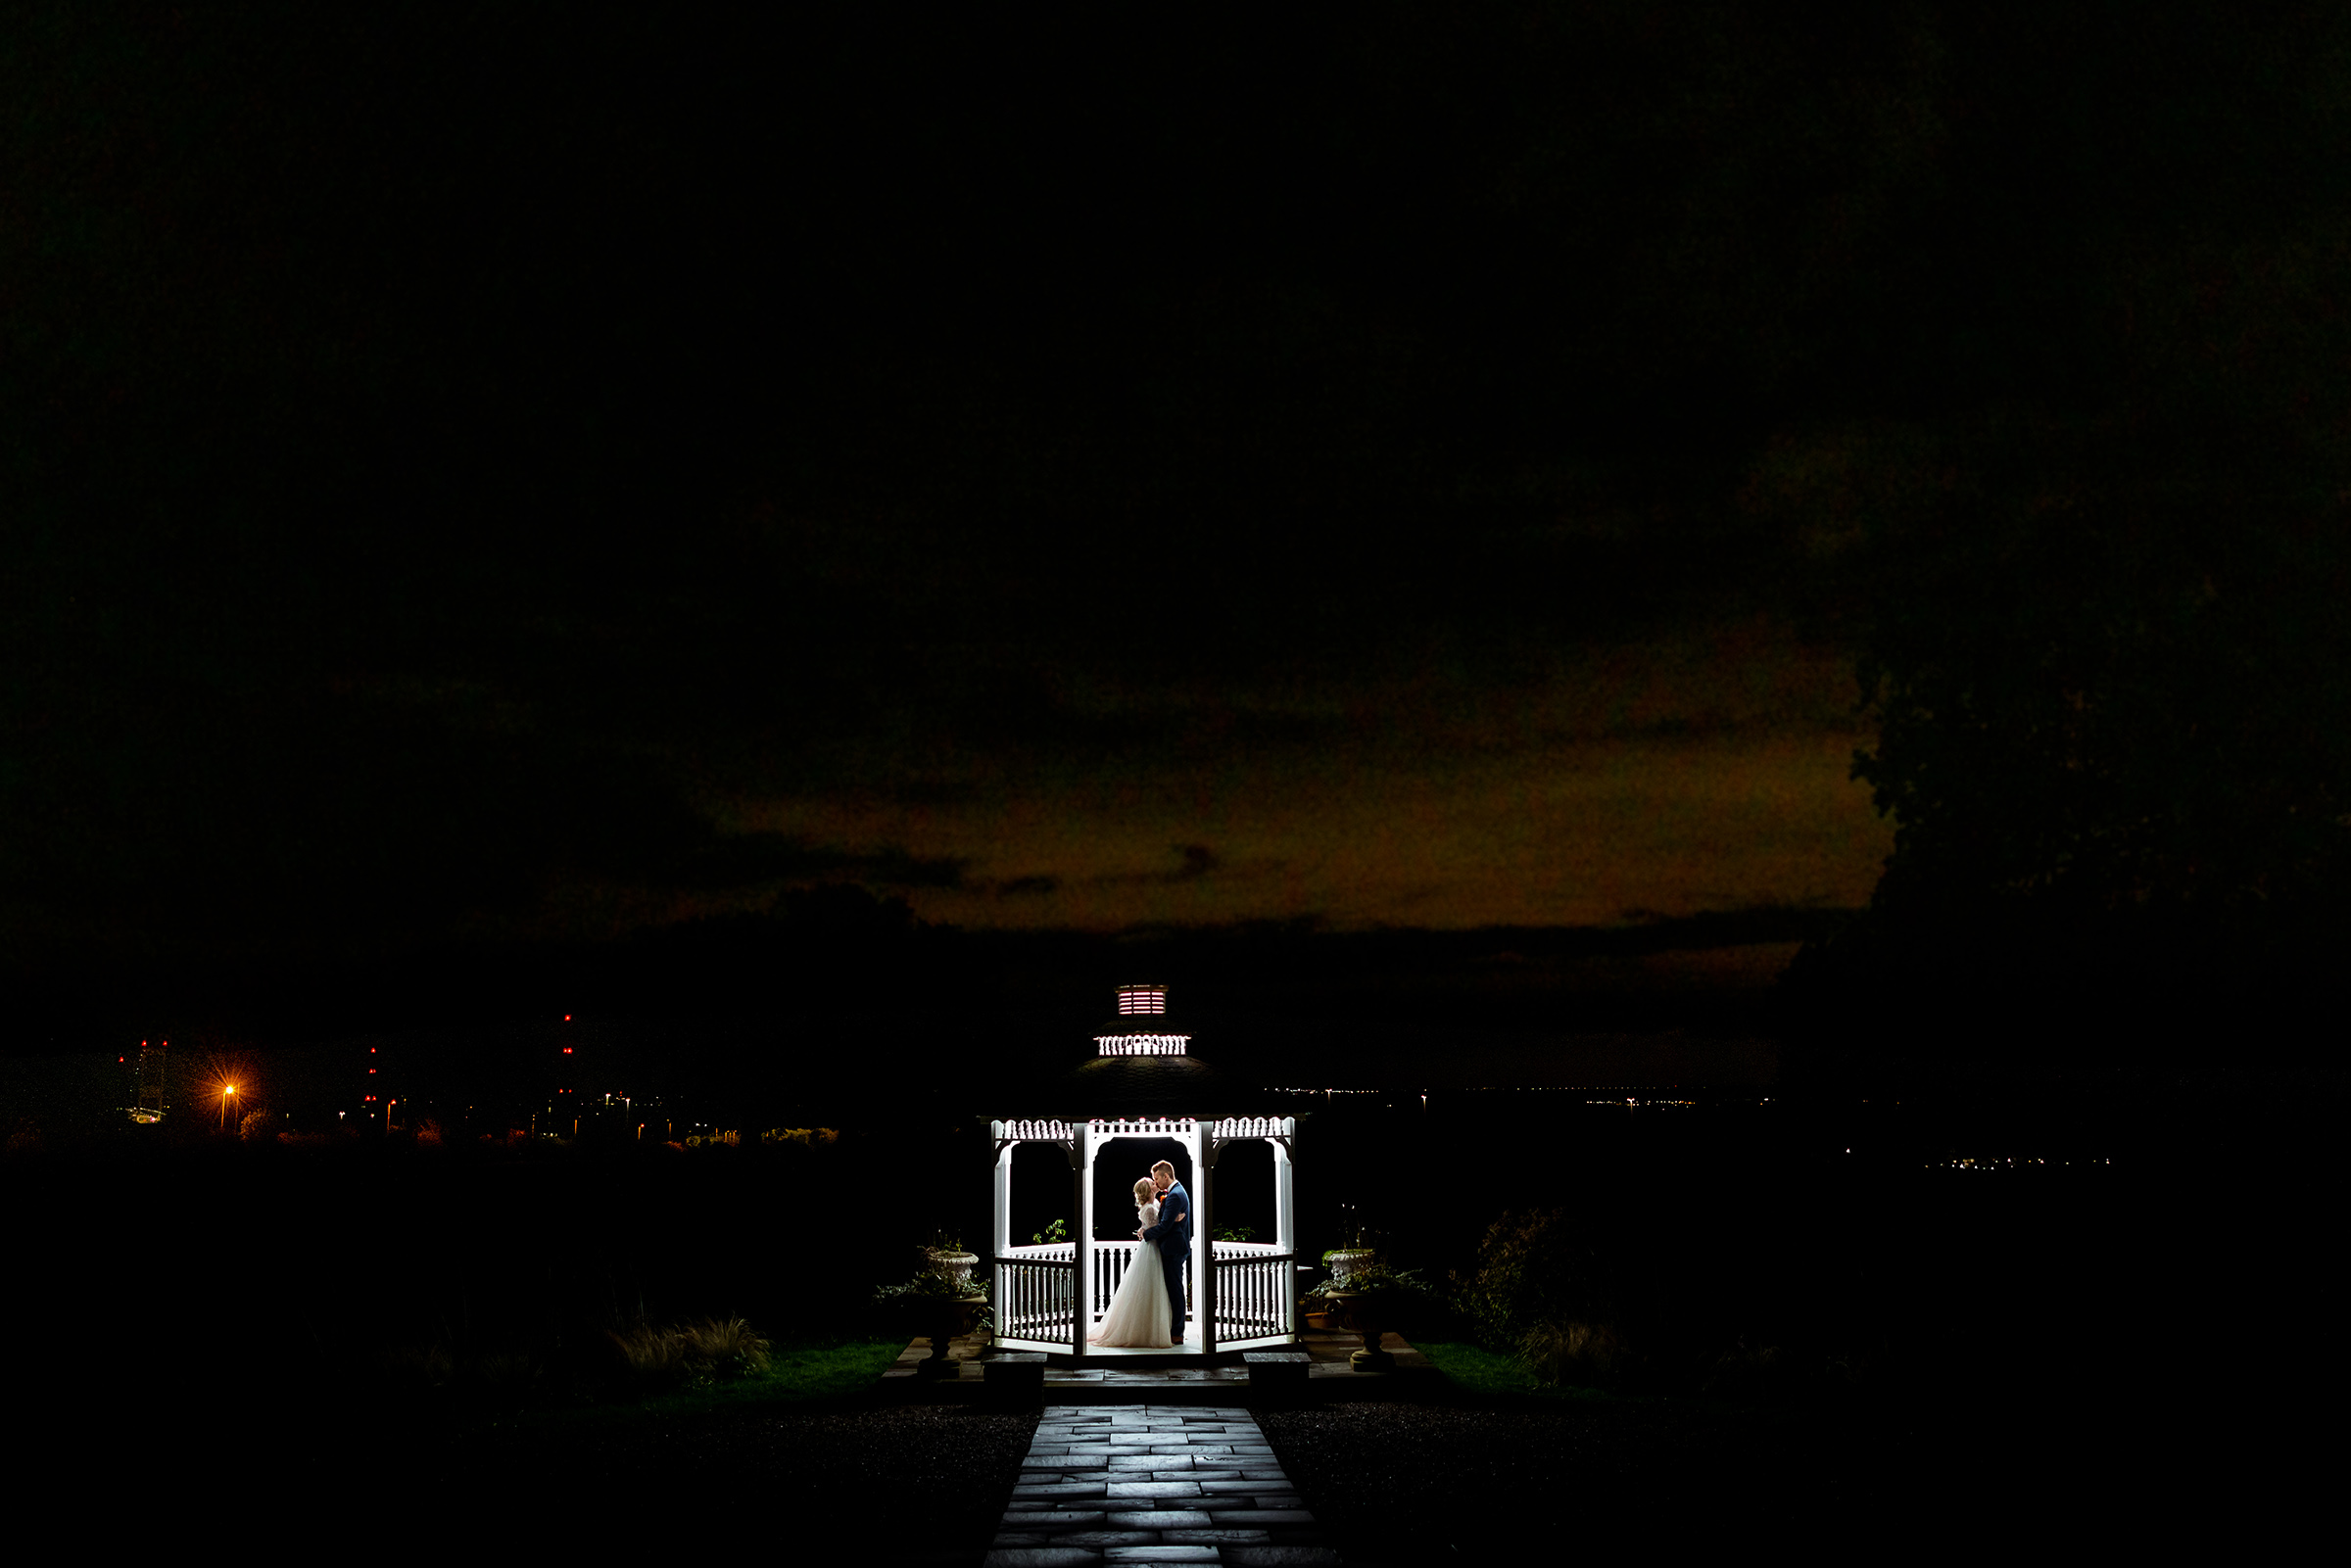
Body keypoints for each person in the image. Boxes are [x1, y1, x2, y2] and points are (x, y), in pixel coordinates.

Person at [1088, 1177, 1173, 1347]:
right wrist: (1173, 1221)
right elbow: (1158, 1228)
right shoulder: (1148, 1208)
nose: (1154, 1183)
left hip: (1154, 1247)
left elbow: (1151, 1226)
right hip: (1151, 1249)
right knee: (1149, 1286)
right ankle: (1144, 1330)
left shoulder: (1154, 1203)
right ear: (1147, 1189)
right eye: (1151, 1182)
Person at [1140, 1159, 1190, 1347]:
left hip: (1173, 1248)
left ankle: (1177, 1332)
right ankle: (1173, 1328)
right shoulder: (1176, 1192)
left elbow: (1164, 1226)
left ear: (1166, 1176)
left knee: (1175, 1290)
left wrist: (1146, 1233)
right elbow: (1167, 1222)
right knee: (1173, 1289)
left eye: (1157, 1178)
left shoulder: (1175, 1195)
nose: (1156, 1182)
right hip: (1173, 1247)